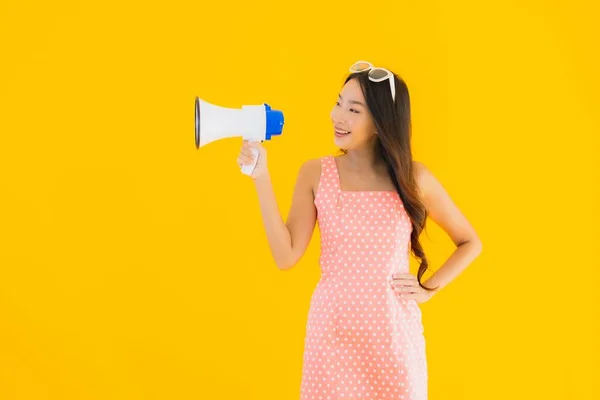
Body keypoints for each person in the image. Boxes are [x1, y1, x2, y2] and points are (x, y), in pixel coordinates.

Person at [237, 61, 483, 400]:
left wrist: (428, 288)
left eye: (353, 110)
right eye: (338, 103)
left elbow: (470, 242)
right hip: (332, 340)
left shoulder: (414, 178)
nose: (338, 116)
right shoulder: (315, 173)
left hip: (395, 341)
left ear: (382, 122)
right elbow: (286, 255)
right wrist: (260, 177)